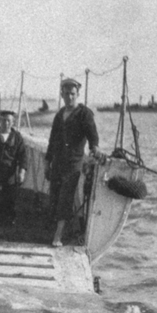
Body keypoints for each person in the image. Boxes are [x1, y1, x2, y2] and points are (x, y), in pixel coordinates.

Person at [45, 78, 100, 246]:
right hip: (58, 162)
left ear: (77, 94)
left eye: (72, 94)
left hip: (73, 163)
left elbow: (93, 135)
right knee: (54, 196)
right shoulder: (59, 115)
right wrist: (48, 162)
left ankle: (58, 236)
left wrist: (95, 148)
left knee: (65, 197)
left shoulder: (84, 113)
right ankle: (58, 230)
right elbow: (52, 140)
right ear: (62, 94)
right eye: (66, 93)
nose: (69, 97)